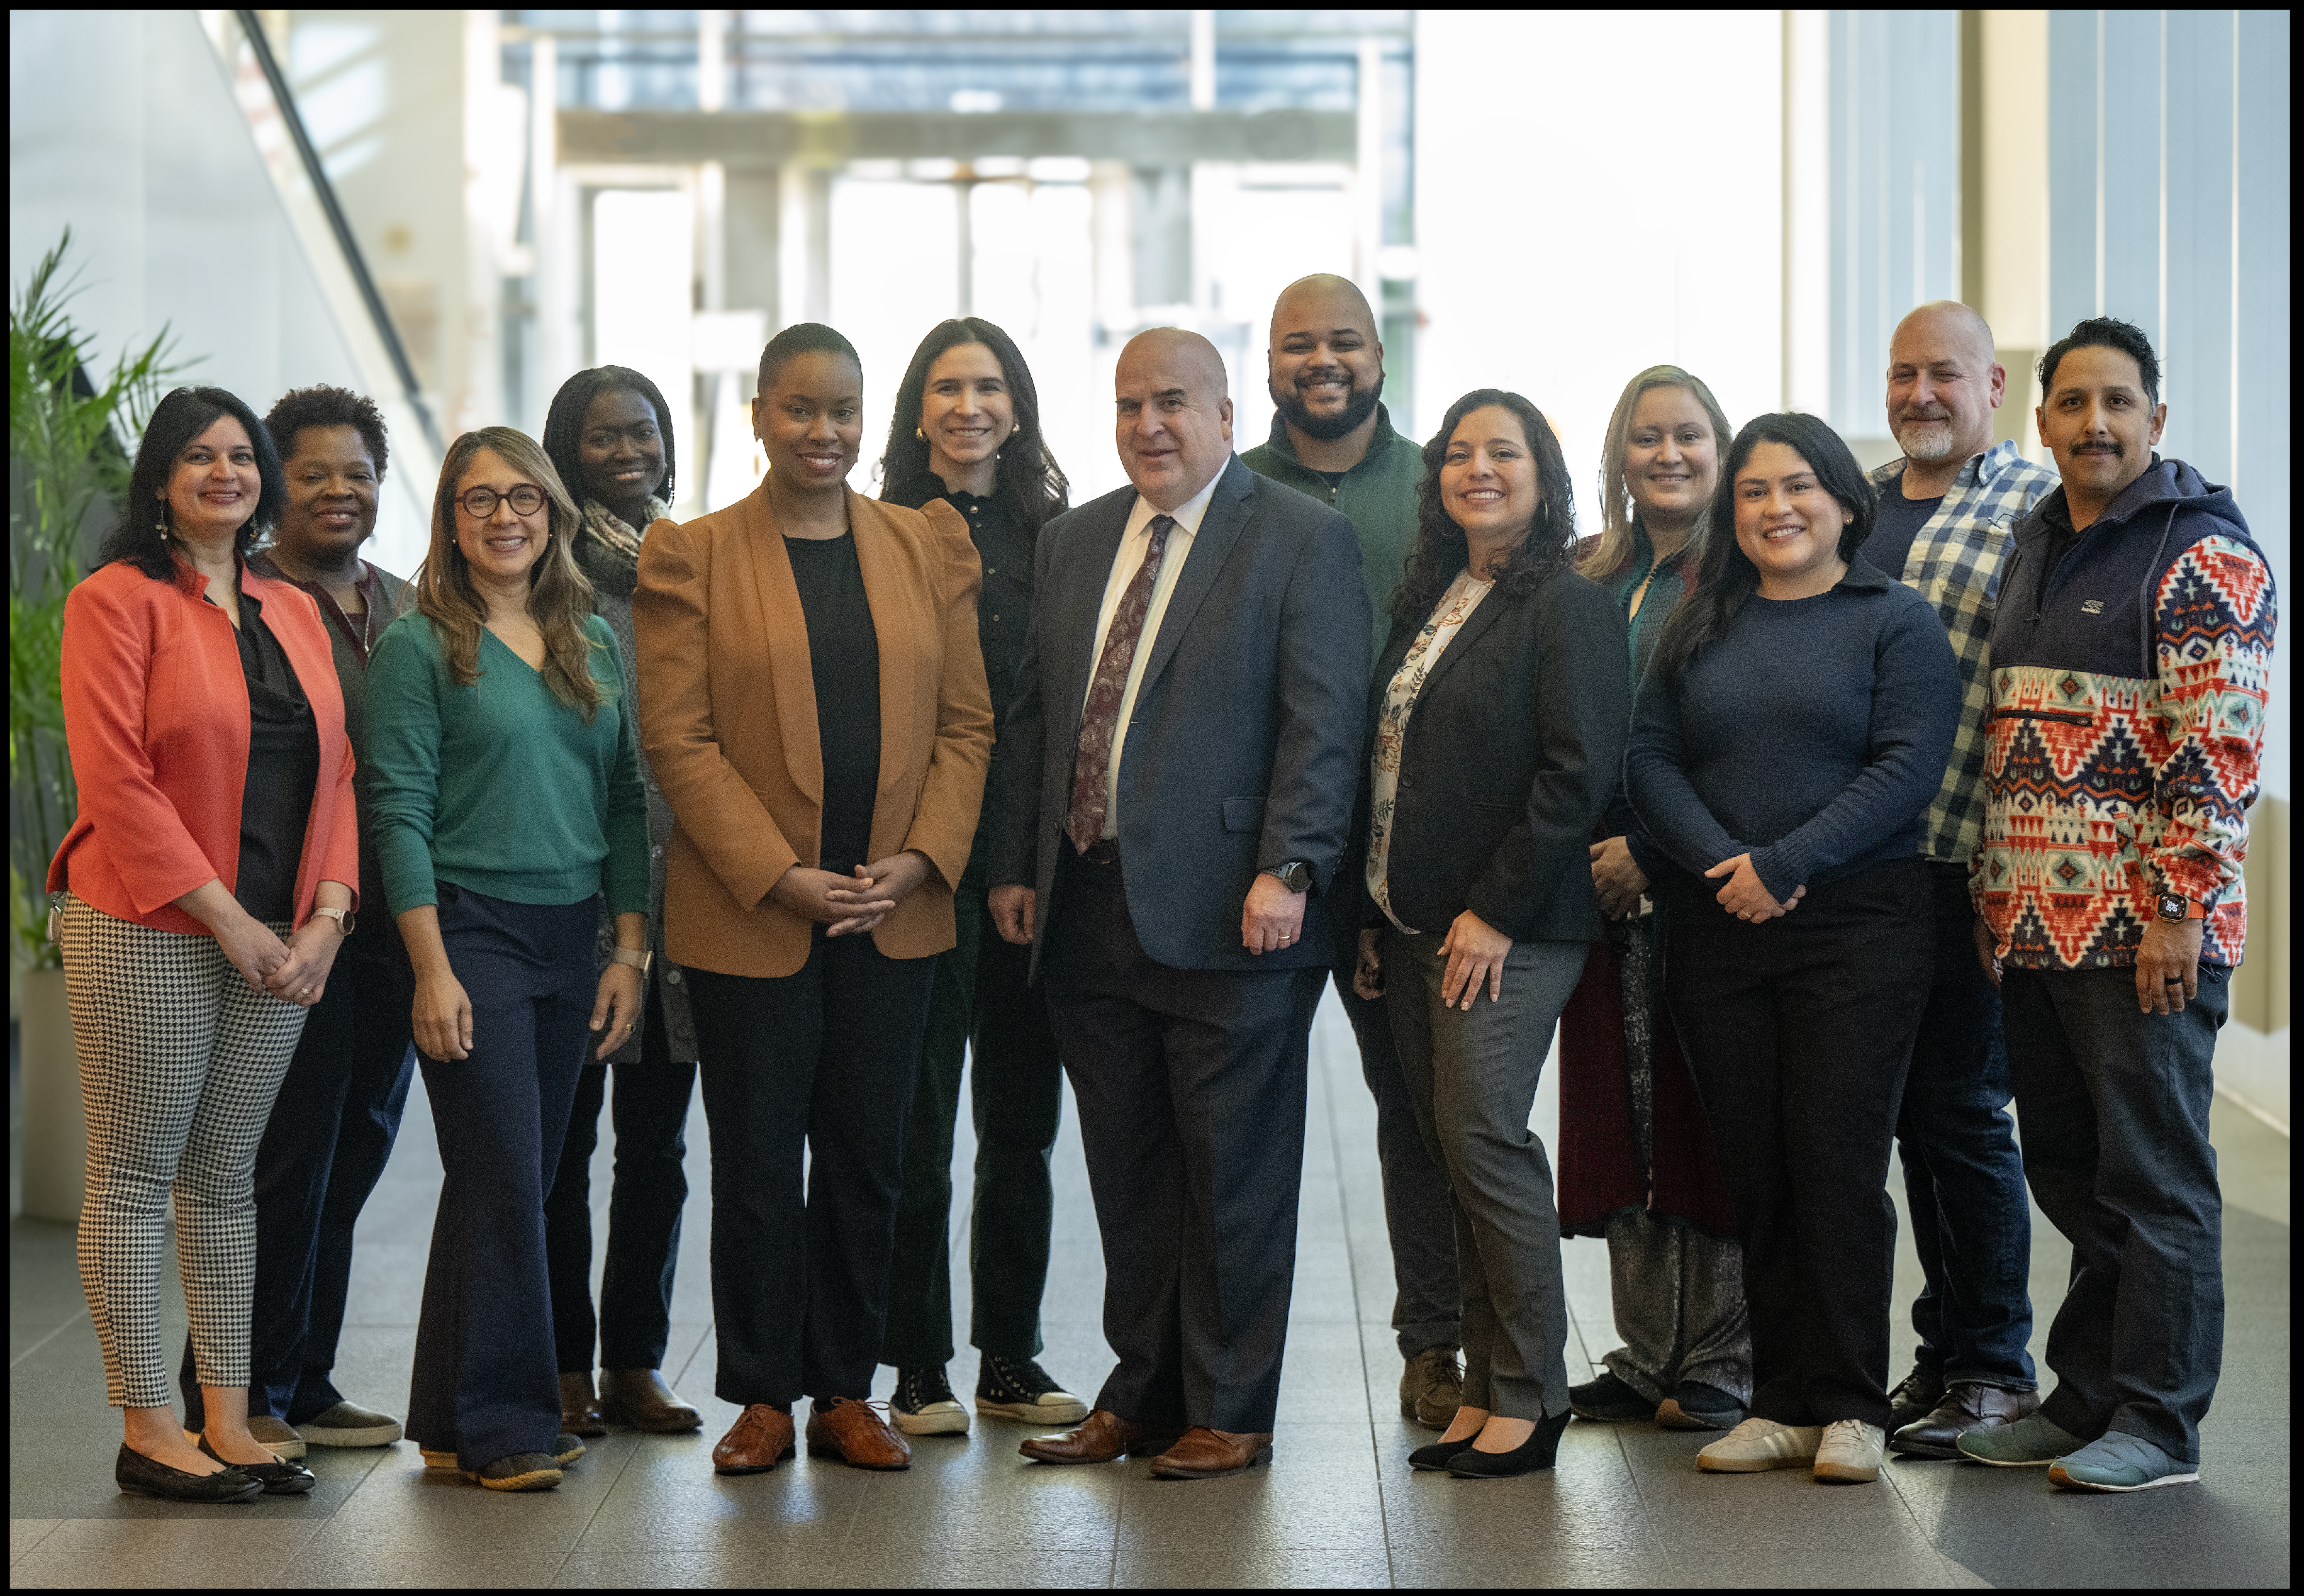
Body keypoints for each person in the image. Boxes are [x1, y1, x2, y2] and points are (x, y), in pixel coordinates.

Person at [986, 328, 1370, 1481]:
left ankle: (1233, 1405)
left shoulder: (1302, 538)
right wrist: (1016, 863)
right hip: (1087, 907)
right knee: (1131, 1171)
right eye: (1126, 404)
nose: (1147, 425)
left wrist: (1291, 865)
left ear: (1222, 414)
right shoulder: (1074, 539)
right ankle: (1141, 1392)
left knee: (1234, 1172)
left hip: (1233, 914)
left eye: (1170, 403)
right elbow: (1037, 718)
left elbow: (1324, 721)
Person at [633, 323, 993, 1476]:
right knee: (751, 1161)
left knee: (866, 1158)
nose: (823, 433)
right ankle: (758, 1396)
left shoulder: (924, 544)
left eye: (841, 411)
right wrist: (776, 873)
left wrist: (921, 858)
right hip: (753, 912)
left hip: (894, 913)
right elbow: (677, 739)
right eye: (798, 410)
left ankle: (845, 1388)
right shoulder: (690, 555)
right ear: (756, 415)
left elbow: (967, 724)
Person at [1956, 318, 2275, 1492]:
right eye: (2074, 401)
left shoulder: (2202, 556)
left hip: (2143, 936)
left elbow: (2217, 749)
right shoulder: (2037, 545)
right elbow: (2012, 739)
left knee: (2154, 1179)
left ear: (2155, 419)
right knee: (2073, 1176)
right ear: (2040, 419)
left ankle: (2158, 1420)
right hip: (2038, 932)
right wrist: (1999, 898)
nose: (2096, 422)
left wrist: (2180, 912)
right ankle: (2084, 1397)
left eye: (2119, 402)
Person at [1628, 412, 1959, 1486]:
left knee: (1835, 1162)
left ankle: (1852, 1402)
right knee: (1754, 1166)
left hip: (1856, 930)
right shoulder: (1704, 619)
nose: (1777, 508)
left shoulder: (1892, 621)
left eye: (1798, 487)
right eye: (1755, 492)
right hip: (1717, 924)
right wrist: (1728, 861)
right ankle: (1778, 1397)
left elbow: (1908, 765)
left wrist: (1786, 861)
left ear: (1844, 503)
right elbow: (1650, 756)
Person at [51, 385, 349, 1502]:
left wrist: (326, 914)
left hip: (281, 939)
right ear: (162, 480)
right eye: (198, 456)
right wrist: (226, 918)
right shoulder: (115, 599)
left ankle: (229, 1413)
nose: (225, 472)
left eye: (243, 455)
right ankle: (147, 1421)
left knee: (226, 1178)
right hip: (150, 924)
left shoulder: (293, 605)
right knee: (135, 1175)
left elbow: (341, 772)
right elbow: (116, 781)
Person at [365, 427, 650, 1491]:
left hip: (570, 934)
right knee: (503, 1174)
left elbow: (624, 801)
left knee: (507, 1178)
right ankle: (508, 1423)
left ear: (553, 515)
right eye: (479, 499)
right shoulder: (418, 644)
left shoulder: (590, 639)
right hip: (467, 928)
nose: (504, 518)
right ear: (449, 519)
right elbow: (394, 810)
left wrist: (629, 944)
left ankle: (446, 1413)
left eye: (524, 498)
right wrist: (430, 967)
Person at [1351, 390, 1628, 1478]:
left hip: (1510, 927)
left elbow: (1576, 775)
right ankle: (1482, 1381)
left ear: (1541, 472)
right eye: (1457, 454)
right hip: (1416, 922)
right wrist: (1379, 910)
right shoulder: (1442, 593)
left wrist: (1493, 910)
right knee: (1449, 1149)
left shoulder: (1566, 603)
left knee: (1482, 1139)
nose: (1476, 469)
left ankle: (1531, 1390)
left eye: (1500, 452)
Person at [172, 387, 418, 1461]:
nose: (338, 490)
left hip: (388, 927)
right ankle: (234, 1388)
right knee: (278, 1161)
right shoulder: (246, 602)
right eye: (312, 471)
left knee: (356, 1151)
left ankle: (305, 1377)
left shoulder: (409, 605)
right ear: (274, 485)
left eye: (358, 471)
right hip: (286, 924)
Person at [1241, 274, 1463, 1429]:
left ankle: (1435, 1346)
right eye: (1296, 345)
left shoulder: (1441, 488)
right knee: (1238, 1119)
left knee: (1422, 1112)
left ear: (1381, 353)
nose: (1320, 361)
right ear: (1265, 363)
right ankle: (1217, 1363)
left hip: (1405, 862)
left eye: (1342, 342)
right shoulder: (1229, 491)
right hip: (1263, 863)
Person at [873, 318, 1088, 1437]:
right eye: (948, 386)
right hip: (917, 866)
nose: (970, 405)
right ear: (917, 410)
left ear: (1018, 405)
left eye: (991, 385)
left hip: (1029, 869)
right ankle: (914, 1362)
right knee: (916, 1124)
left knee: (1021, 1124)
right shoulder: (876, 533)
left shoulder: (1059, 536)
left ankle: (1011, 1350)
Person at [1860, 304, 2061, 1458]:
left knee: (1965, 1115)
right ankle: (1940, 1355)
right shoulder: (1864, 501)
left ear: (1992, 384)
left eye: (1944, 372)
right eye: (1902, 373)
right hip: (1865, 870)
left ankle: (1994, 1366)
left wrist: (2007, 875)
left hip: (1963, 860)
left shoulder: (2028, 508)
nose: (1920, 392)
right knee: (1905, 1122)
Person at [1557, 366, 1750, 1433]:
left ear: (1720, 452)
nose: (1666, 454)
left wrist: (1651, 850)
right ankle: (1644, 1349)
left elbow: (1740, 743)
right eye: (1645, 438)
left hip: (1701, 884)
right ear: (1617, 458)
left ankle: (1720, 1353)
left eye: (1687, 435)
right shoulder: (1593, 574)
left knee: (1700, 1111)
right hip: (1592, 890)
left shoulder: (1744, 573)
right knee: (1620, 1110)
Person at [537, 366, 704, 1439]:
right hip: (575, 898)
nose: (628, 452)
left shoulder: (697, 564)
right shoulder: (545, 574)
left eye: (643, 433)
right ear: (567, 450)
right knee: (561, 1144)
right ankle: (559, 1363)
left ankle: (635, 1360)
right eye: (603, 438)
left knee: (659, 1151)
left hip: (686, 900)